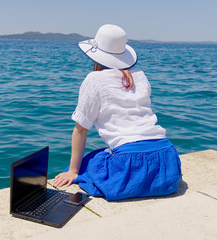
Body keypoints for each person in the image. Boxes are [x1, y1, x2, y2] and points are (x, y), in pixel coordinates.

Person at [53, 24, 182, 201]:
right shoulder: (140, 76)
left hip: (130, 163)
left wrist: (73, 171)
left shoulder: (94, 79)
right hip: (167, 161)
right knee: (103, 154)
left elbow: (81, 129)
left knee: (90, 161)